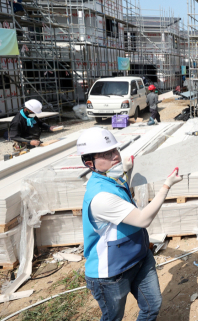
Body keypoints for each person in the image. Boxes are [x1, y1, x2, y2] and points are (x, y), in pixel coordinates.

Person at [78, 127, 182, 321]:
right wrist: (166, 186)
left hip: (140, 257)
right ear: (89, 162)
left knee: (152, 307)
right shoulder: (100, 196)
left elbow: (117, 180)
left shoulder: (110, 178)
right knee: (113, 318)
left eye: (115, 151)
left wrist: (124, 170)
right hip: (111, 273)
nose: (114, 156)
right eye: (106, 154)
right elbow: (143, 220)